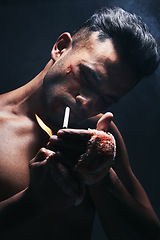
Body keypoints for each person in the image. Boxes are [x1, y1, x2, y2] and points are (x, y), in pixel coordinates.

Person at [0, 6, 160, 240]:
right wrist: (32, 203)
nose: (87, 103)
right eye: (86, 77)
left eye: (106, 100)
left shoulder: (97, 136)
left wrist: (101, 176)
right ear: (61, 48)